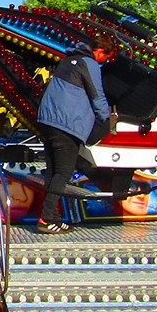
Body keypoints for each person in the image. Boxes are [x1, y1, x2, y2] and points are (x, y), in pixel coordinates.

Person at [34, 44, 112, 233]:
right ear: (100, 51)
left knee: (53, 172)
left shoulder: (67, 61)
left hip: (48, 120)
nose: (105, 62)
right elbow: (97, 94)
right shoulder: (89, 63)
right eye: (106, 58)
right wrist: (106, 119)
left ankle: (53, 217)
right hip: (67, 124)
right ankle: (46, 218)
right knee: (64, 172)